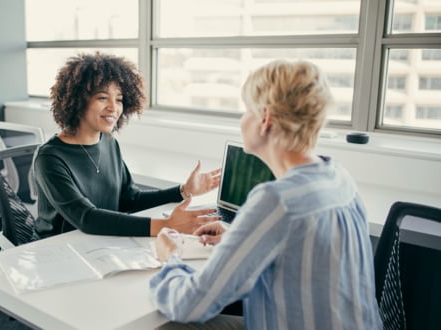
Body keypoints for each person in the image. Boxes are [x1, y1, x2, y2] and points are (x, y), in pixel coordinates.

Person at [149, 59, 383, 329]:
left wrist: (170, 257)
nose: (241, 120)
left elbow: (191, 304)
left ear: (265, 119)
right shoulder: (339, 177)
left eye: (246, 110)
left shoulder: (277, 200)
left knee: (168, 325)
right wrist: (238, 240)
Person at [32, 52, 221, 238]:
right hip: (58, 251)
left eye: (119, 99)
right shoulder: (50, 158)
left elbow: (130, 199)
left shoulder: (108, 143)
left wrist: (184, 191)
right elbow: (86, 218)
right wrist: (166, 225)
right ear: (78, 100)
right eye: (102, 98)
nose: (114, 108)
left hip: (98, 244)